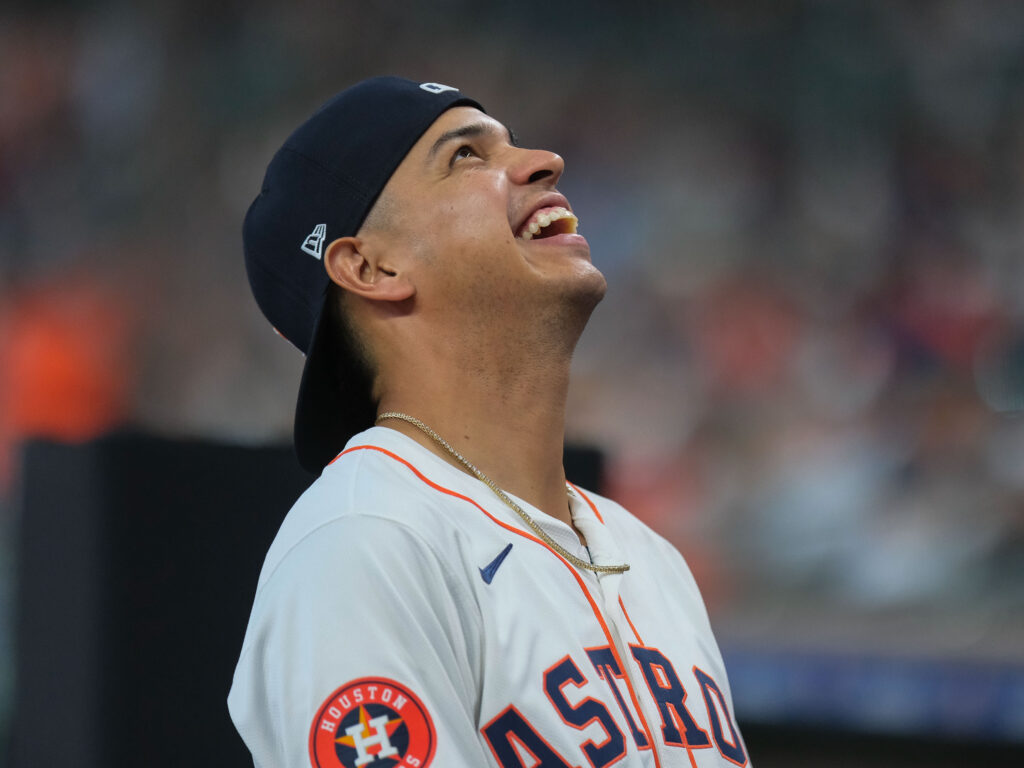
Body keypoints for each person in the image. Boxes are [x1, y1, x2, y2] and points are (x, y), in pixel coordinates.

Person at [229, 76, 749, 768]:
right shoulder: (365, 545)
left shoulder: (649, 557)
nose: (544, 161)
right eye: (465, 157)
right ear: (370, 265)